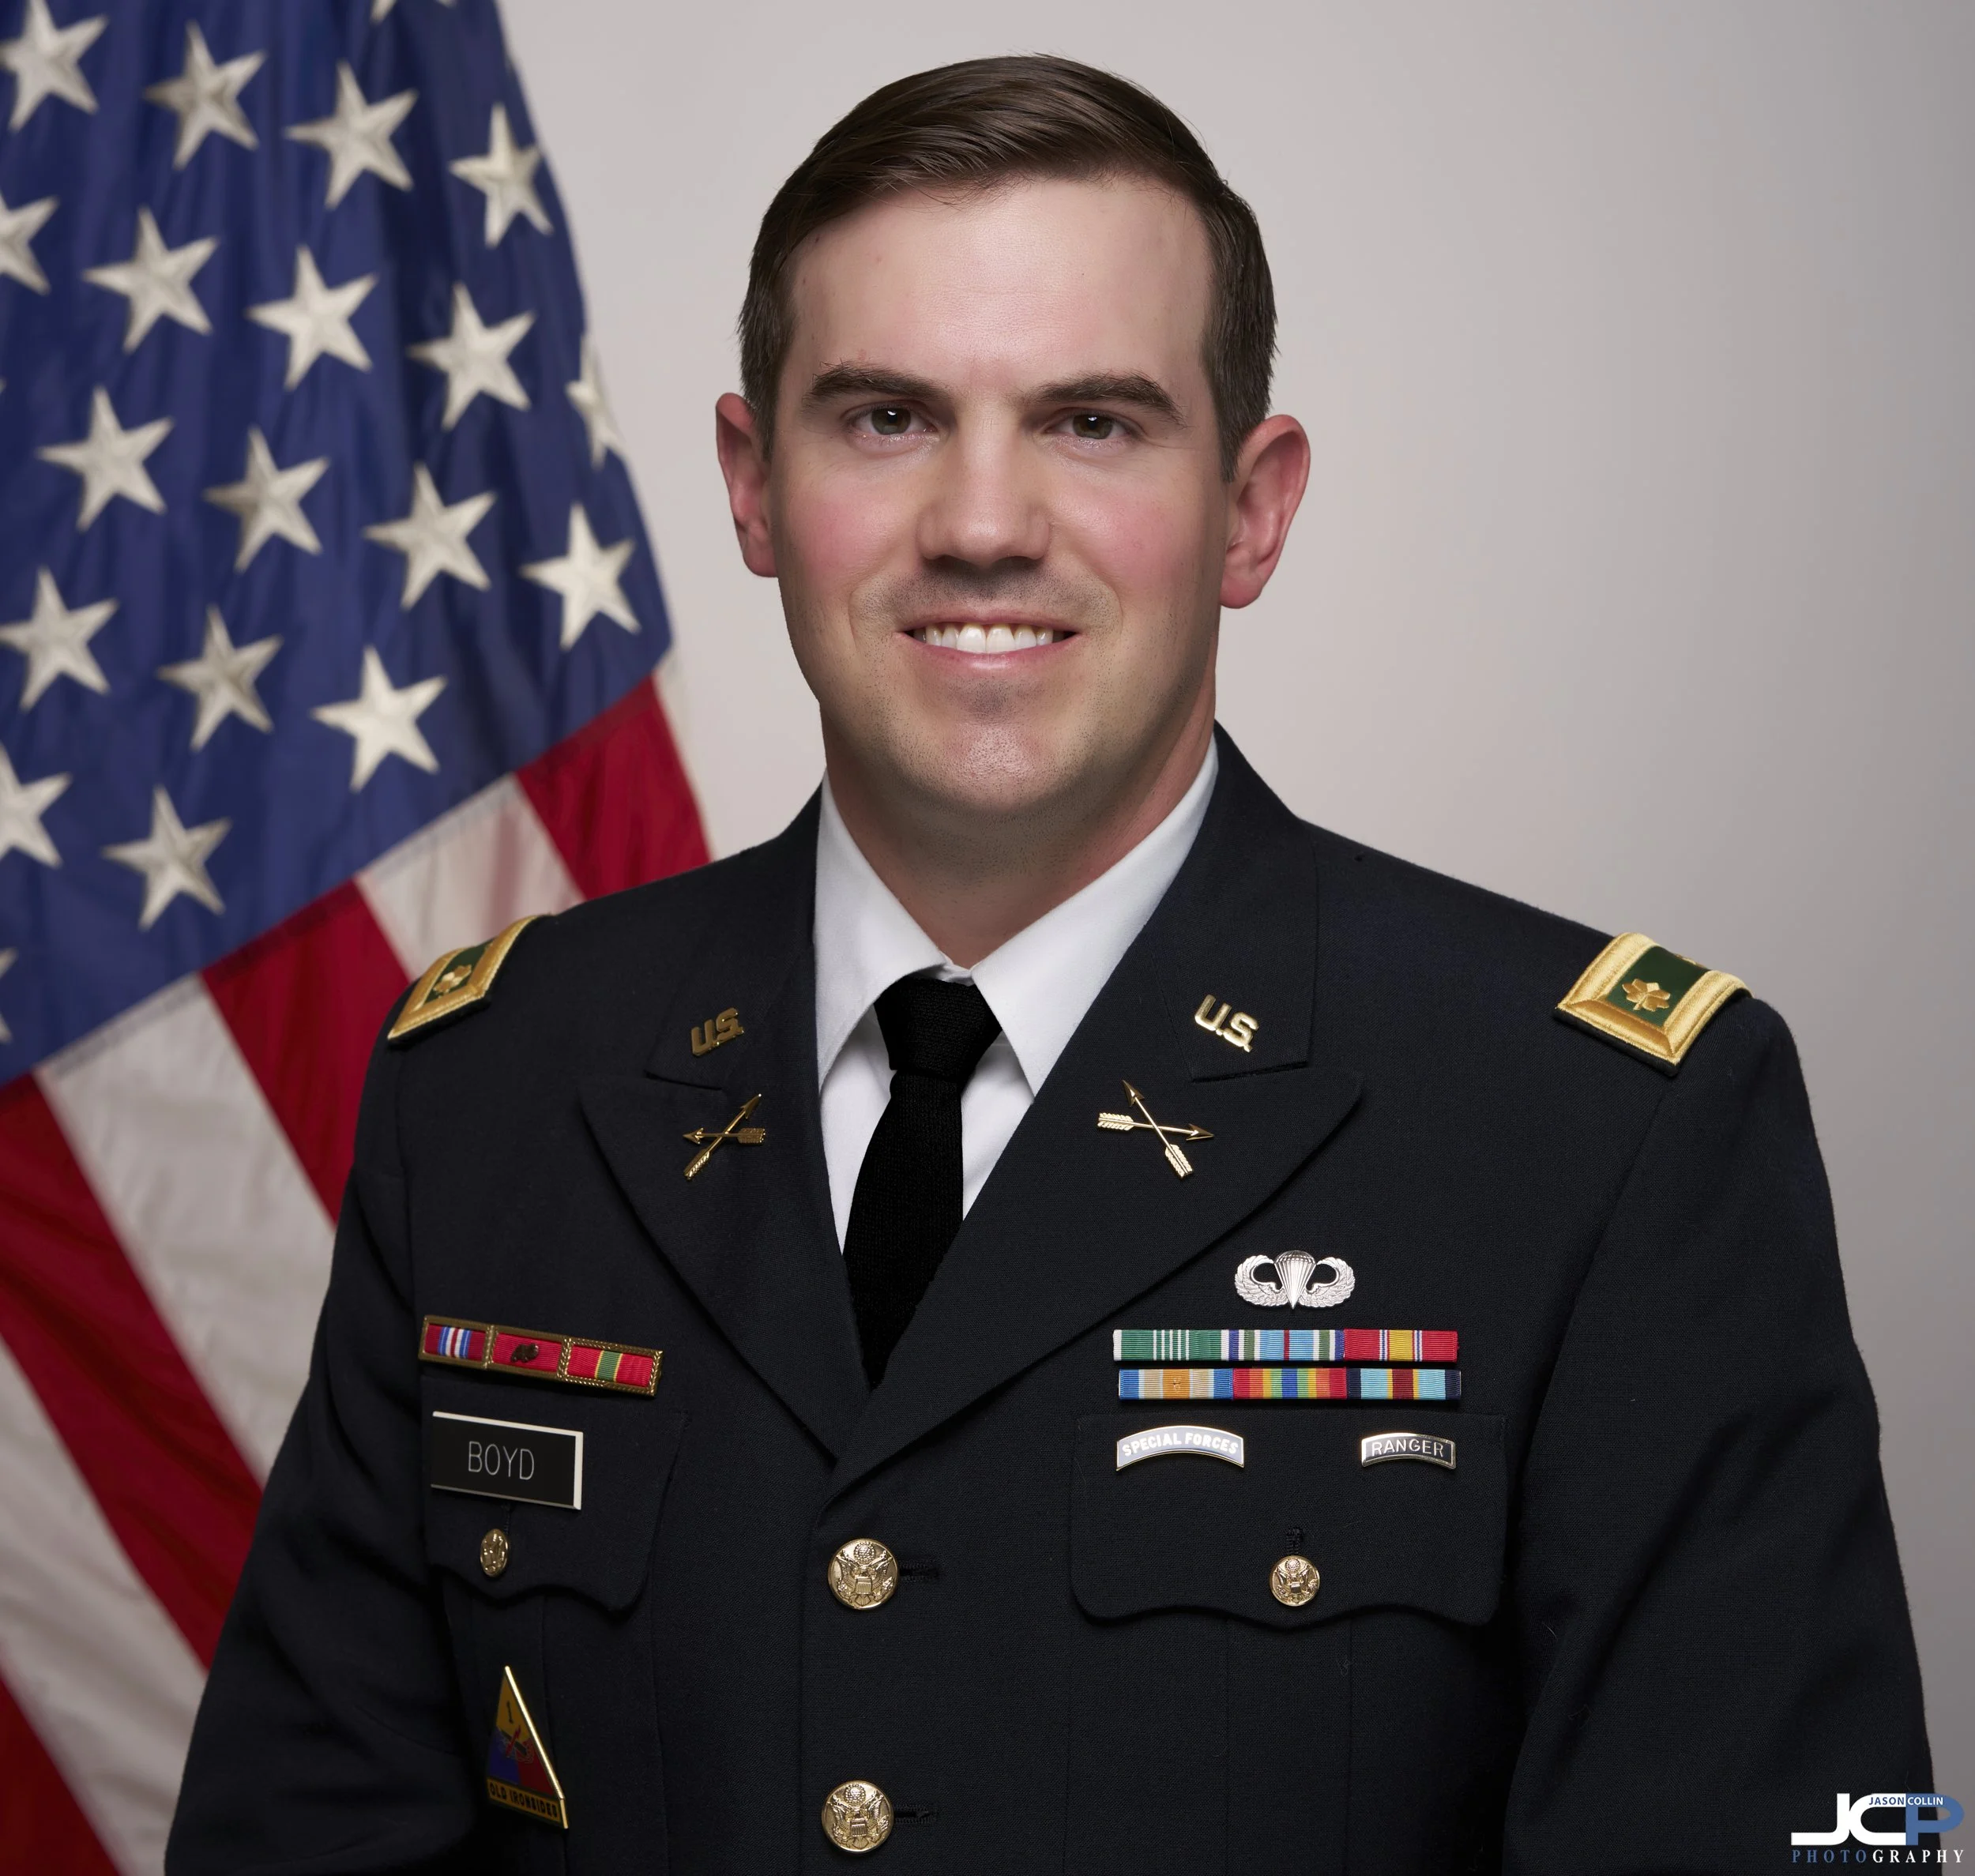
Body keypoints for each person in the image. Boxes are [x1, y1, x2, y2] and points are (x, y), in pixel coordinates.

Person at [168, 54, 1932, 1875]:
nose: (983, 521)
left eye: (1092, 420)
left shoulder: (1595, 1132)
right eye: (883, 417)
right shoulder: (494, 1084)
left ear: (1250, 507)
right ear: (750, 482)